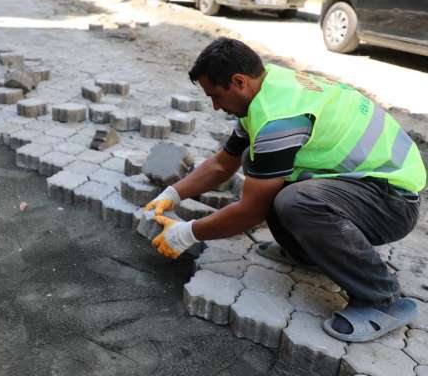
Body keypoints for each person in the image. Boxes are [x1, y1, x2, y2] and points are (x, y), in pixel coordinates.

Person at [145, 37, 426, 342]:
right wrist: (171, 194)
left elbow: (250, 212)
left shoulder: (278, 121)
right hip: (364, 183)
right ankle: (308, 253)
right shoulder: (267, 87)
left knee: (294, 200)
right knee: (260, 167)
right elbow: (222, 165)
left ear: (238, 82)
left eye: (215, 95)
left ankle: (382, 300)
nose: (215, 106)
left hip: (393, 200)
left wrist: (188, 233)